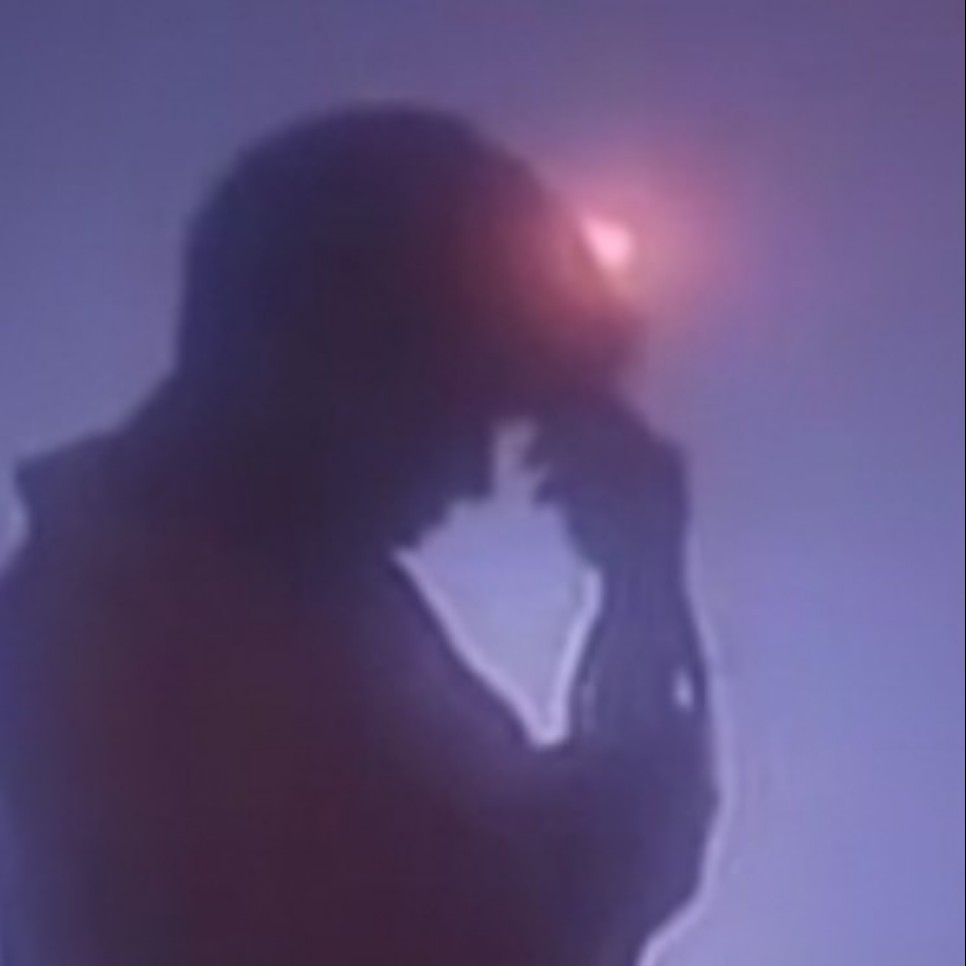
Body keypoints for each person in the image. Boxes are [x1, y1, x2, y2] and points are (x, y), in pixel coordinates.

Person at [0, 106, 717, 965]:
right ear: (344, 356)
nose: (475, 479)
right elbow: (493, 919)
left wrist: (639, 596)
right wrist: (642, 605)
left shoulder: (275, 599)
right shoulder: (152, 633)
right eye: (463, 409)